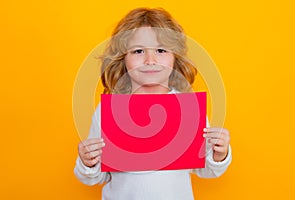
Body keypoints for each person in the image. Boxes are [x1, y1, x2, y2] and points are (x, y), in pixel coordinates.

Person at [74, 7, 232, 200]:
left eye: (161, 50)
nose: (150, 60)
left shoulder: (187, 109)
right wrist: (87, 163)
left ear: (175, 57)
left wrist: (219, 154)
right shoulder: (109, 111)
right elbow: (98, 176)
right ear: (123, 58)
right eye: (138, 51)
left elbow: (205, 169)